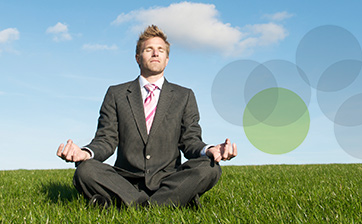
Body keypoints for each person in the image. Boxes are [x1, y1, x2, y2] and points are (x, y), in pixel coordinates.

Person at [56, 24, 237, 208]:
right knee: (85, 170)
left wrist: (209, 150)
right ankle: (164, 203)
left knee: (209, 168)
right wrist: (85, 153)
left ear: (167, 59)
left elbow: (190, 141)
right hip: (126, 180)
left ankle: (130, 204)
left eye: (160, 50)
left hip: (168, 179)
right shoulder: (116, 94)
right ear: (137, 58)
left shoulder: (184, 96)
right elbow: (106, 139)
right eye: (148, 49)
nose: (155, 54)